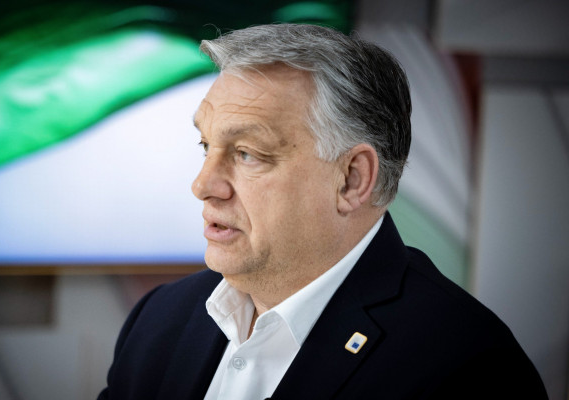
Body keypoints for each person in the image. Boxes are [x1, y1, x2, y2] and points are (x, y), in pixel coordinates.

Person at [98, 24, 547, 399]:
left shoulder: (470, 367)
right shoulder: (159, 319)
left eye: (248, 153)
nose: (203, 186)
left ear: (351, 180)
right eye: (206, 146)